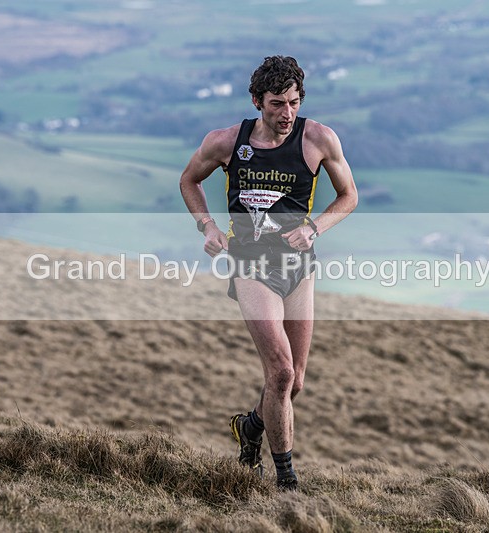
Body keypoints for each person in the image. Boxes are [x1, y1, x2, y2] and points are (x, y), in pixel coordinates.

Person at [179, 55, 358, 490]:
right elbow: (189, 180)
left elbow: (348, 196)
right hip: (251, 265)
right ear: (257, 101)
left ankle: (251, 426)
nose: (287, 113)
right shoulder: (226, 142)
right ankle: (286, 483)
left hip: (299, 267)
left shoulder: (318, 139)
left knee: (294, 382)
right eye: (277, 103)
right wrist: (207, 226)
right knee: (278, 372)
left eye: (294, 102)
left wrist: (314, 227)